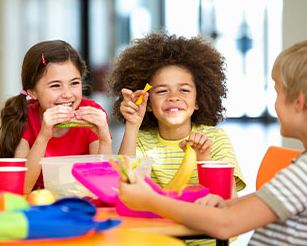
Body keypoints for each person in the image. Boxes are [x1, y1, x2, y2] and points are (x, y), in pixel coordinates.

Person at [117, 40, 307, 245]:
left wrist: (150, 200)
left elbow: (225, 224)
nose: (173, 97)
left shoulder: (302, 173)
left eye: (277, 92)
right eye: (162, 91)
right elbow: (235, 205)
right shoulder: (300, 168)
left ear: (299, 102)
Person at [108, 33, 246, 245]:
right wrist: (133, 125)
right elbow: (122, 186)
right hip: (156, 239)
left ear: (199, 100)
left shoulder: (216, 139)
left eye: (184, 89)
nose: (174, 97)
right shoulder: (141, 140)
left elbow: (229, 204)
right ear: (150, 104)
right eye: (162, 90)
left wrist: (204, 158)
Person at [0, 40, 112, 194]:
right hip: (38, 202)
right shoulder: (25, 116)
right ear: (32, 92)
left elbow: (104, 184)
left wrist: (104, 138)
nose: (68, 94)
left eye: (74, 83)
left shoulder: (92, 114)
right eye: (55, 85)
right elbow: (22, 188)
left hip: (82, 200)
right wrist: (43, 136)